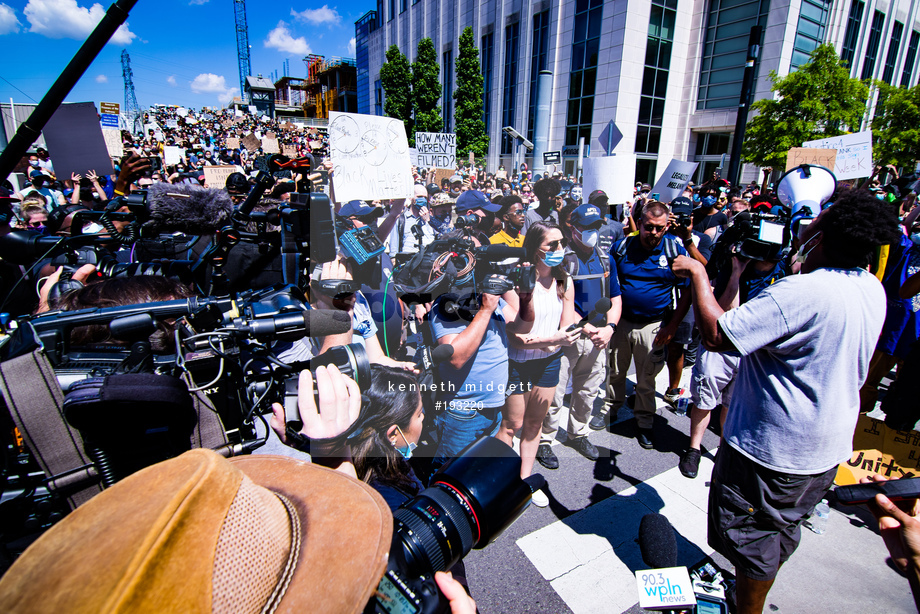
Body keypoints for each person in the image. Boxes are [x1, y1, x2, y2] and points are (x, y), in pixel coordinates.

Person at [670, 189, 900, 614]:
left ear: (824, 239)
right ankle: (751, 590)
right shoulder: (870, 285)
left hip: (771, 455)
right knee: (779, 532)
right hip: (822, 454)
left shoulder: (801, 291)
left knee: (751, 539)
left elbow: (717, 336)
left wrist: (700, 276)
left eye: (809, 230)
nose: (799, 236)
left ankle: (748, 606)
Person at [498, 222, 581, 506]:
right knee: (512, 424)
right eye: (552, 245)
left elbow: (567, 326)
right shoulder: (517, 283)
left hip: (549, 363)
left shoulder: (564, 281)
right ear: (535, 249)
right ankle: (497, 481)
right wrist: (552, 339)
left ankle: (523, 483)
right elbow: (517, 338)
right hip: (518, 364)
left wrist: (585, 330)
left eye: (562, 243)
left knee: (535, 424)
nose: (560, 250)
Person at [597, 201, 690, 448]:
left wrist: (671, 328)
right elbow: (608, 286)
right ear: (639, 224)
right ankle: (611, 408)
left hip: (654, 326)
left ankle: (645, 422)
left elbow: (687, 293)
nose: (654, 233)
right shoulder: (621, 248)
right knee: (615, 370)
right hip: (622, 322)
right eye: (649, 227)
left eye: (660, 228)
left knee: (647, 379)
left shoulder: (675, 251)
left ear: (667, 226)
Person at [538, 204, 621, 469]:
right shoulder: (563, 259)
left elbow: (616, 297)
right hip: (569, 335)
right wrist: (583, 326)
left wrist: (610, 328)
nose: (592, 232)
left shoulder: (606, 259)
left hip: (599, 337)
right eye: (586, 227)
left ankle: (578, 433)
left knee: (588, 389)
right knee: (555, 390)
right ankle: (545, 439)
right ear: (573, 228)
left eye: (596, 226)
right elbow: (559, 298)